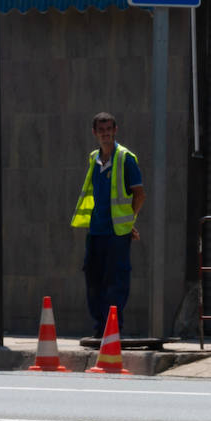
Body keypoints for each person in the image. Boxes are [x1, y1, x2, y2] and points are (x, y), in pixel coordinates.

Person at [71, 112, 146, 336]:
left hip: (117, 233)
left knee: (116, 281)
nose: (105, 134)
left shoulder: (125, 159)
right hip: (96, 230)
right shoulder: (94, 158)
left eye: (109, 130)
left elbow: (139, 195)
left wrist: (128, 222)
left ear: (115, 130)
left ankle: (113, 329)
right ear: (95, 133)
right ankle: (99, 328)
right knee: (93, 279)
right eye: (101, 130)